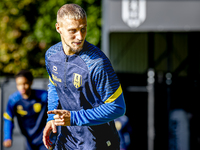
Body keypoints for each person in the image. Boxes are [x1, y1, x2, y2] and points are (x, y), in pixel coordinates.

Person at [43, 3, 126, 150]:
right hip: (67, 140)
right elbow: (54, 85)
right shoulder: (51, 56)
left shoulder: (97, 63)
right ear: (58, 28)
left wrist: (74, 118)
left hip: (99, 143)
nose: (79, 36)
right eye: (72, 31)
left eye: (83, 29)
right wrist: (52, 119)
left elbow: (118, 107)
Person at [3, 70, 48, 150]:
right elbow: (8, 119)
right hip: (29, 140)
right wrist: (7, 137)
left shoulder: (43, 97)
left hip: (45, 139)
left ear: (31, 82)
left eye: (25, 83)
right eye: (19, 84)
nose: (22, 87)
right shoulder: (13, 100)